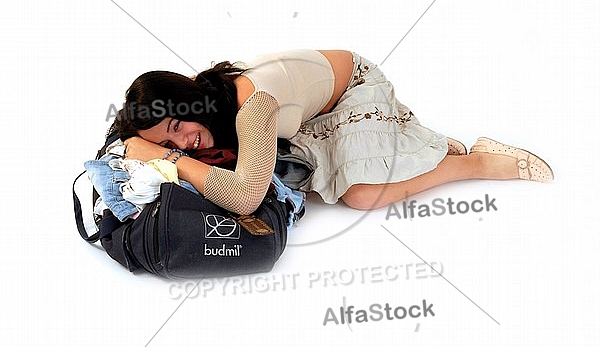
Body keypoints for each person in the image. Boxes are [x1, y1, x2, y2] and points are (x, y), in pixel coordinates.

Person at [116, 49, 553, 215]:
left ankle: (474, 161)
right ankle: (424, 145)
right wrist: (140, 144)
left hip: (353, 90)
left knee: (359, 195)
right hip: (308, 118)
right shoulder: (208, 105)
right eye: (167, 143)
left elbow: (246, 197)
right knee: (299, 174)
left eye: (178, 127)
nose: (183, 142)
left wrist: (171, 161)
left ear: (187, 100)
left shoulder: (251, 109)